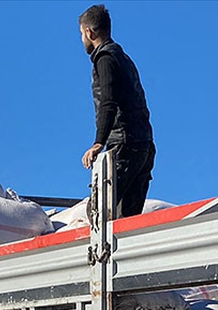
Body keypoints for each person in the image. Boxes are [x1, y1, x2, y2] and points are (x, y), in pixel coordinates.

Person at [78, 4, 156, 218]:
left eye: (81, 35)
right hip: (144, 146)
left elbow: (108, 102)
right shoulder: (123, 58)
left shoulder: (106, 59)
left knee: (98, 213)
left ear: (89, 32)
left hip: (125, 146)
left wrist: (98, 142)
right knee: (126, 220)